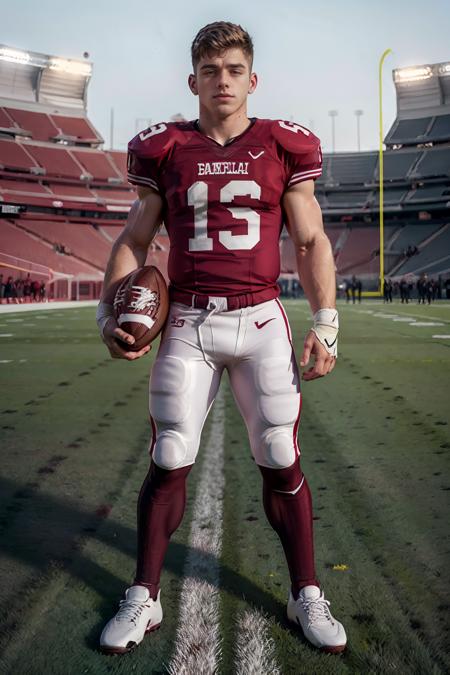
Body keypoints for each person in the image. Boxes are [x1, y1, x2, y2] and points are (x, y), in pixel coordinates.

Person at [96, 21, 346, 656]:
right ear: (193, 80)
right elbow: (132, 241)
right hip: (187, 320)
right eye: (211, 71)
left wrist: (326, 323)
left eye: (234, 70)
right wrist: (109, 314)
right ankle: (145, 594)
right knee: (170, 454)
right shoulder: (167, 147)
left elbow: (312, 240)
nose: (223, 80)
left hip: (261, 318)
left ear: (252, 78)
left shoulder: (282, 145)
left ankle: (306, 591)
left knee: (279, 457)